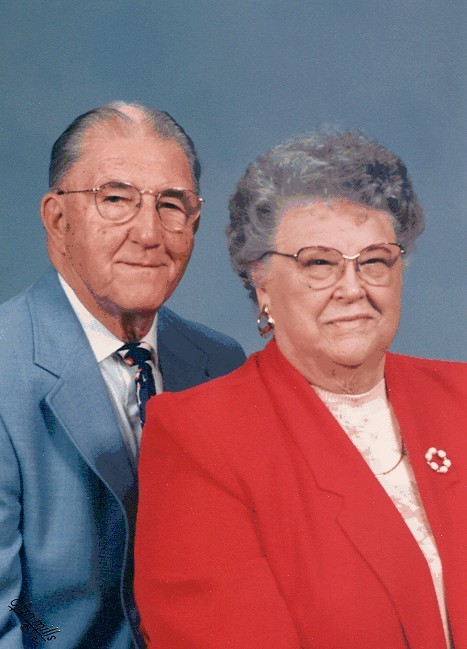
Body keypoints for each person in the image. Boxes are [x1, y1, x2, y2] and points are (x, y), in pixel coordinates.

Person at [135, 130, 466, 648]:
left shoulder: (459, 395)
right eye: (319, 263)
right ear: (263, 282)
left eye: (375, 260)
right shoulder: (201, 437)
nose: (352, 288)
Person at [0, 102, 245, 648]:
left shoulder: (220, 363)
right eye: (115, 199)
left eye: (171, 204)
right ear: (58, 220)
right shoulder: (5, 367)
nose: (149, 233)